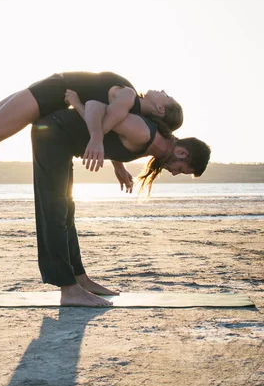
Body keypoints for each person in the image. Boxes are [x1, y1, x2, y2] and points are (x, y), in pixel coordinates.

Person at [0, 71, 183, 226]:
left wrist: (98, 139)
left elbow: (100, 122)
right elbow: (110, 126)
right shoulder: (130, 105)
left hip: (53, 92)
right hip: (53, 88)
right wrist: (118, 165)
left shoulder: (130, 96)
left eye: (167, 96)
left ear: (161, 108)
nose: (162, 89)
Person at [30, 102, 211, 307]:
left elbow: (113, 133)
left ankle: (80, 279)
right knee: (54, 211)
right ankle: (68, 289)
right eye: (181, 169)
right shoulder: (146, 135)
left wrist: (118, 165)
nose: (175, 172)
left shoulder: (156, 143)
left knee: (66, 211)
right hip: (53, 131)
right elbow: (103, 114)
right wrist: (93, 132)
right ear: (182, 153)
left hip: (63, 139)